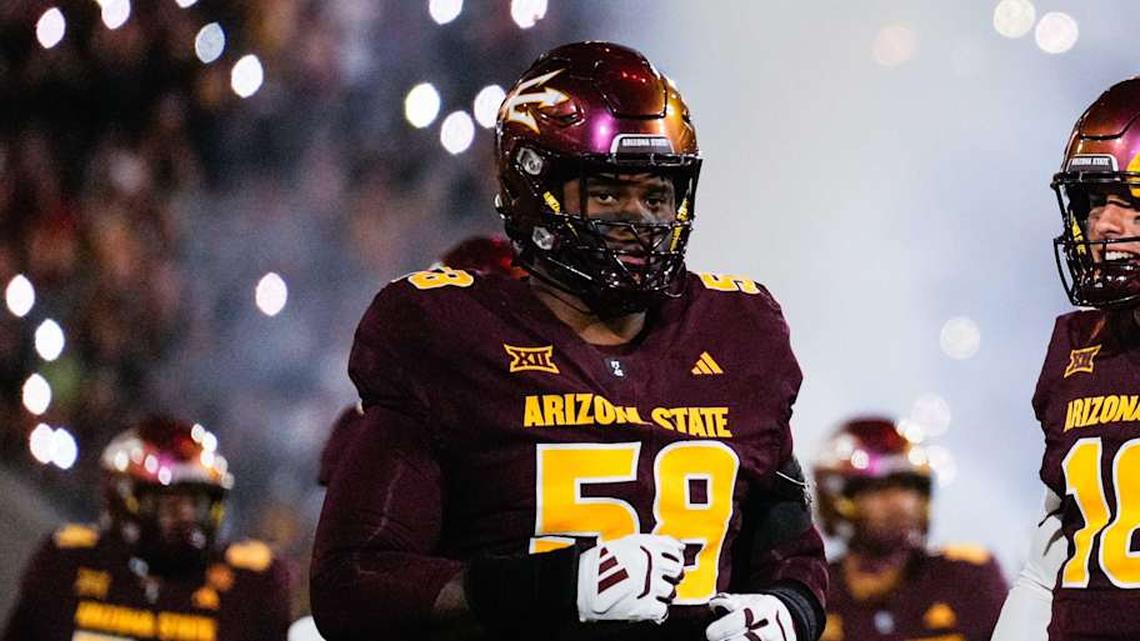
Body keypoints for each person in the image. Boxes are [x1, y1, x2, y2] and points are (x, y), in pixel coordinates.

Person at [311, 41, 828, 641]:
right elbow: (353, 584)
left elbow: (790, 546)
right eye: (608, 193)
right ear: (536, 187)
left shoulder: (739, 331)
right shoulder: (450, 335)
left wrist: (788, 608)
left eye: (656, 196)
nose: (641, 221)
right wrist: (557, 588)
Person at [991, 78, 1140, 641]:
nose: (1103, 224)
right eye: (1096, 201)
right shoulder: (1078, 342)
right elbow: (1046, 563)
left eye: (1128, 201)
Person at [3, 415, 292, 641]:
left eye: (198, 502)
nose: (188, 517)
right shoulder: (68, 560)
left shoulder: (250, 581)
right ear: (124, 499)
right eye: (172, 504)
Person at [813, 417, 1006, 641]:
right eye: (880, 488)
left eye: (910, 486)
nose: (902, 504)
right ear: (838, 497)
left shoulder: (966, 576)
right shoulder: (813, 590)